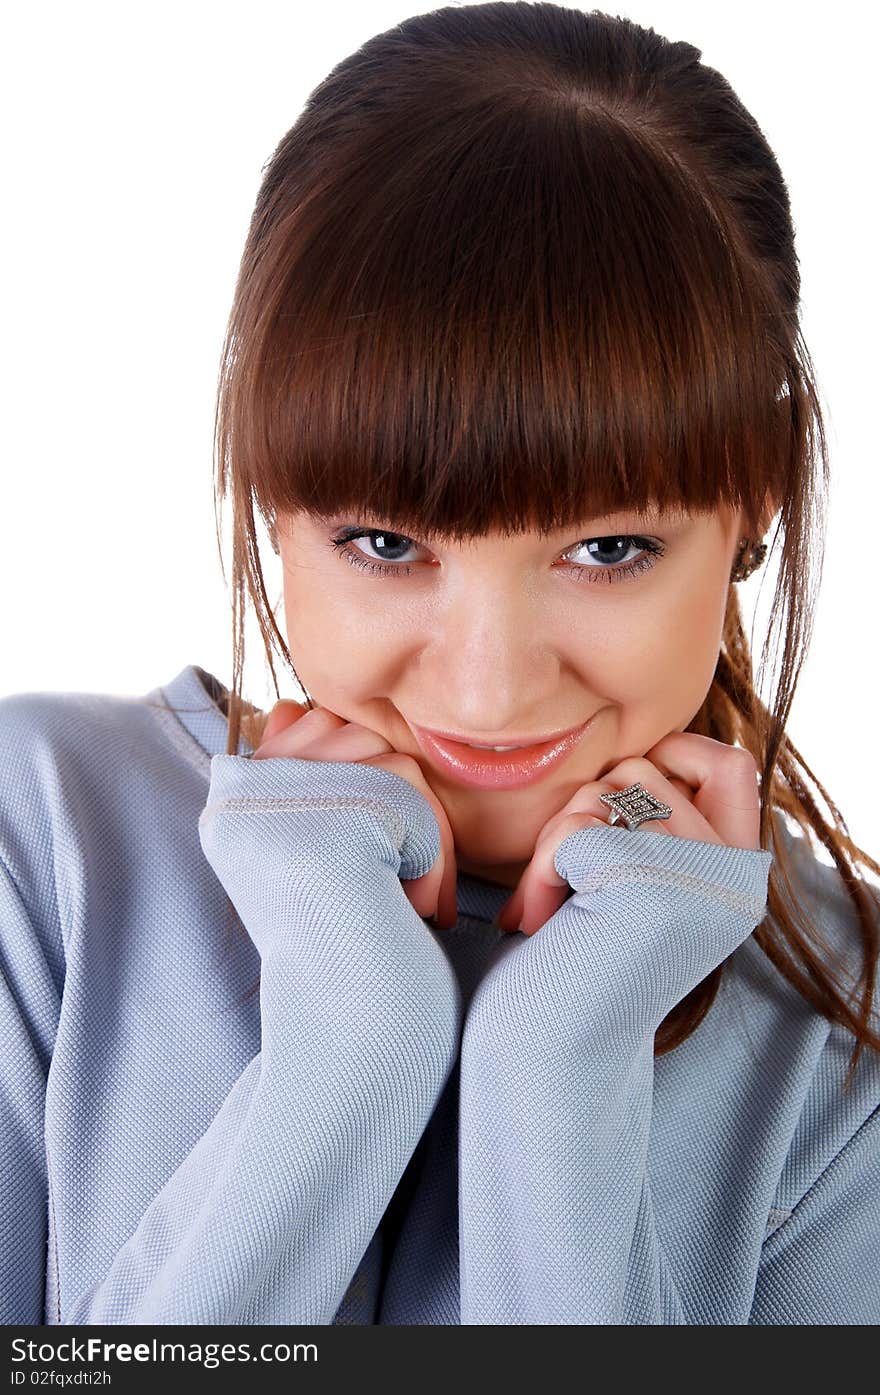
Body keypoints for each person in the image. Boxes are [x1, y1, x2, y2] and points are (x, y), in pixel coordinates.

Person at [2, 3, 879, 1327]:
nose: (486, 690)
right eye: (384, 540)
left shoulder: (848, 1048)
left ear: (754, 502)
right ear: (270, 505)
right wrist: (342, 1053)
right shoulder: (43, 851)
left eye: (605, 548)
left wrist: (561, 1069)